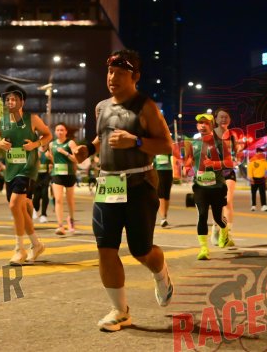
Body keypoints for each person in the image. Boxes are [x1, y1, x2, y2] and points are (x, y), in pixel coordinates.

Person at [74, 49, 174, 332]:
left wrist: (137, 142)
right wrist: (87, 150)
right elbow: (101, 137)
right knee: (105, 248)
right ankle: (120, 311)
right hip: (108, 183)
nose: (112, 78)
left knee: (141, 251)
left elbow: (166, 145)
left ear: (135, 76)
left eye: (120, 73)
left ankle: (160, 271)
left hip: (140, 183)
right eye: (110, 72)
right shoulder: (101, 107)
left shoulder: (146, 107)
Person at [0, 84, 52, 265]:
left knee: (14, 204)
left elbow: (48, 135)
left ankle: (19, 249)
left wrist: (34, 145)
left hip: (28, 168)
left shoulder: (32, 119)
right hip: (11, 170)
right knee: (20, 209)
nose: (10, 102)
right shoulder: (0, 122)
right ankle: (36, 244)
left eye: (14, 99)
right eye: (8, 99)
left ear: (22, 102)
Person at [184, 113, 230, 260]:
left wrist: (214, 163)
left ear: (212, 126)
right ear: (197, 126)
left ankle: (224, 232)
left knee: (218, 218)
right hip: (200, 186)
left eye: (206, 123)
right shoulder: (193, 143)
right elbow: (189, 159)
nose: (202, 126)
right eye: (200, 123)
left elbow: (229, 162)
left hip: (217, 187)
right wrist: (186, 167)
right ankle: (204, 249)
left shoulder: (220, 143)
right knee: (202, 215)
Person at [211, 109, 240, 246]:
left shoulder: (232, 136)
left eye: (226, 117)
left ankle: (228, 233)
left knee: (227, 201)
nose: (223, 119)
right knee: (216, 203)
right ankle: (216, 229)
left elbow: (237, 154)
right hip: (213, 172)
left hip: (228, 171)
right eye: (221, 117)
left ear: (229, 119)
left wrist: (237, 159)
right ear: (216, 119)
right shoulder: (210, 135)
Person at [49, 122, 79, 235]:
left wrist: (65, 153)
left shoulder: (70, 143)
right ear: (55, 132)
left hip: (69, 174)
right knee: (58, 199)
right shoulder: (52, 144)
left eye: (62, 130)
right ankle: (60, 226)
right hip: (57, 174)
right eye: (58, 130)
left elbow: (76, 159)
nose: (60, 132)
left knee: (70, 200)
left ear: (66, 131)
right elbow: (52, 158)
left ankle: (71, 219)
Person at [248, 146, 267, 211]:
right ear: (257, 153)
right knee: (255, 193)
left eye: (261, 153)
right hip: (256, 179)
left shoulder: (263, 162)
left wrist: (266, 177)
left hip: (260, 179)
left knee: (260, 193)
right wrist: (251, 178)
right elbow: (250, 170)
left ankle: (260, 206)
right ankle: (255, 206)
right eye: (260, 153)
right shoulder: (254, 161)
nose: (261, 154)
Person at [154, 151, 174, 227]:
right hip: (158, 169)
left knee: (166, 194)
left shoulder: (168, 145)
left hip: (169, 169)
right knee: (160, 193)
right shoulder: (154, 145)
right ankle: (163, 218)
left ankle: (165, 216)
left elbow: (174, 153)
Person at [33, 144, 51, 223]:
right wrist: (37, 158)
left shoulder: (48, 152)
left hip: (45, 176)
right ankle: (34, 209)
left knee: (44, 195)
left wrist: (50, 158)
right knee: (36, 196)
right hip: (36, 177)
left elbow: (53, 162)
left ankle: (43, 214)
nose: (43, 145)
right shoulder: (35, 152)